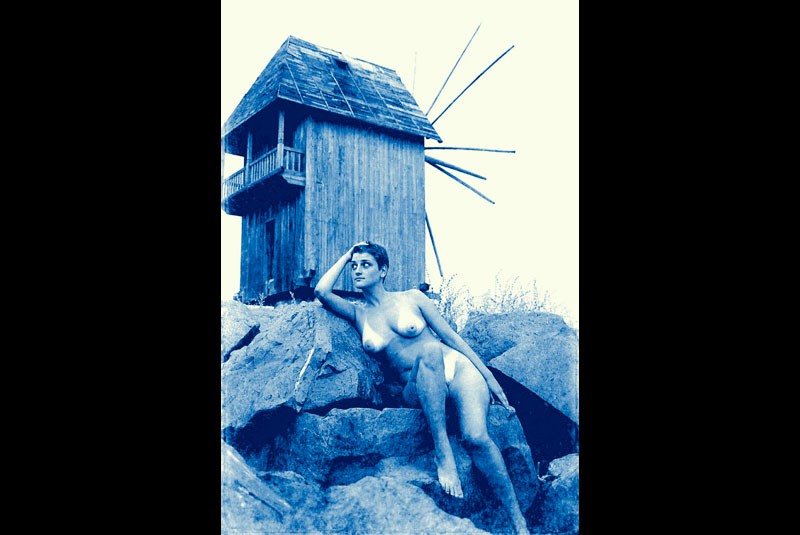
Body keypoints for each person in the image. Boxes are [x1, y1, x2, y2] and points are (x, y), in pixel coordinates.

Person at [315, 241, 530, 534]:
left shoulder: (412, 298)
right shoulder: (358, 314)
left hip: (457, 368)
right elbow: (321, 291)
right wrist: (348, 254)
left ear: (383, 271)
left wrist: (489, 377)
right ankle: (443, 452)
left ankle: (518, 521)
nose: (357, 271)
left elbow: (451, 337)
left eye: (365, 265)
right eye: (354, 267)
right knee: (428, 353)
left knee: (476, 437)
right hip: (418, 385)